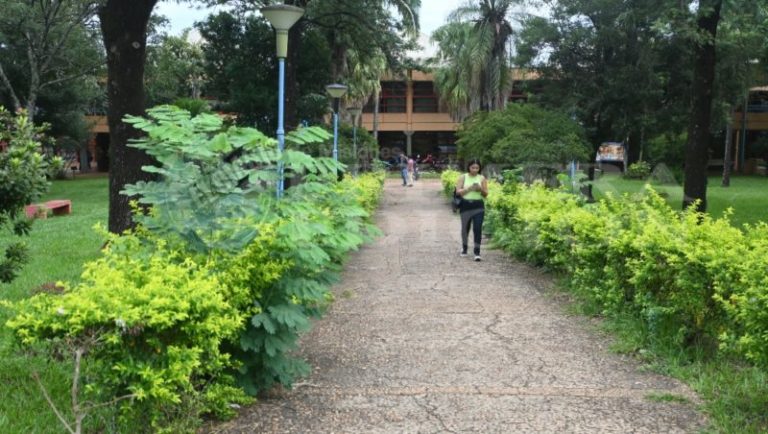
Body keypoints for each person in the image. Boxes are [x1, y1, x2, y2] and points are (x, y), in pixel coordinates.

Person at [455, 159, 488, 261]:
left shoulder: (482, 178)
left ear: (479, 168)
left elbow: (486, 194)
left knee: (477, 229)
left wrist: (480, 189)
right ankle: (464, 248)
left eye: (477, 168)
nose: (474, 170)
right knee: (465, 228)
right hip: (465, 205)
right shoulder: (463, 177)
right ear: (469, 167)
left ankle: (477, 252)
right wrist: (469, 188)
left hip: (478, 205)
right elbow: (458, 192)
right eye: (472, 167)